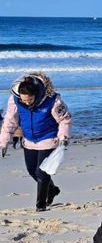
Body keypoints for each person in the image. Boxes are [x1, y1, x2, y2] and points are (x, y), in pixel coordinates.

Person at [0, 72, 72, 211]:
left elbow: (65, 120)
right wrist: (3, 142)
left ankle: (41, 205)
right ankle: (52, 190)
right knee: (32, 171)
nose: (27, 103)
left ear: (36, 95)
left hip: (49, 138)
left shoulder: (52, 100)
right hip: (29, 140)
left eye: (30, 100)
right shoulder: (14, 100)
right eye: (24, 100)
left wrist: (63, 138)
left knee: (42, 172)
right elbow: (10, 121)